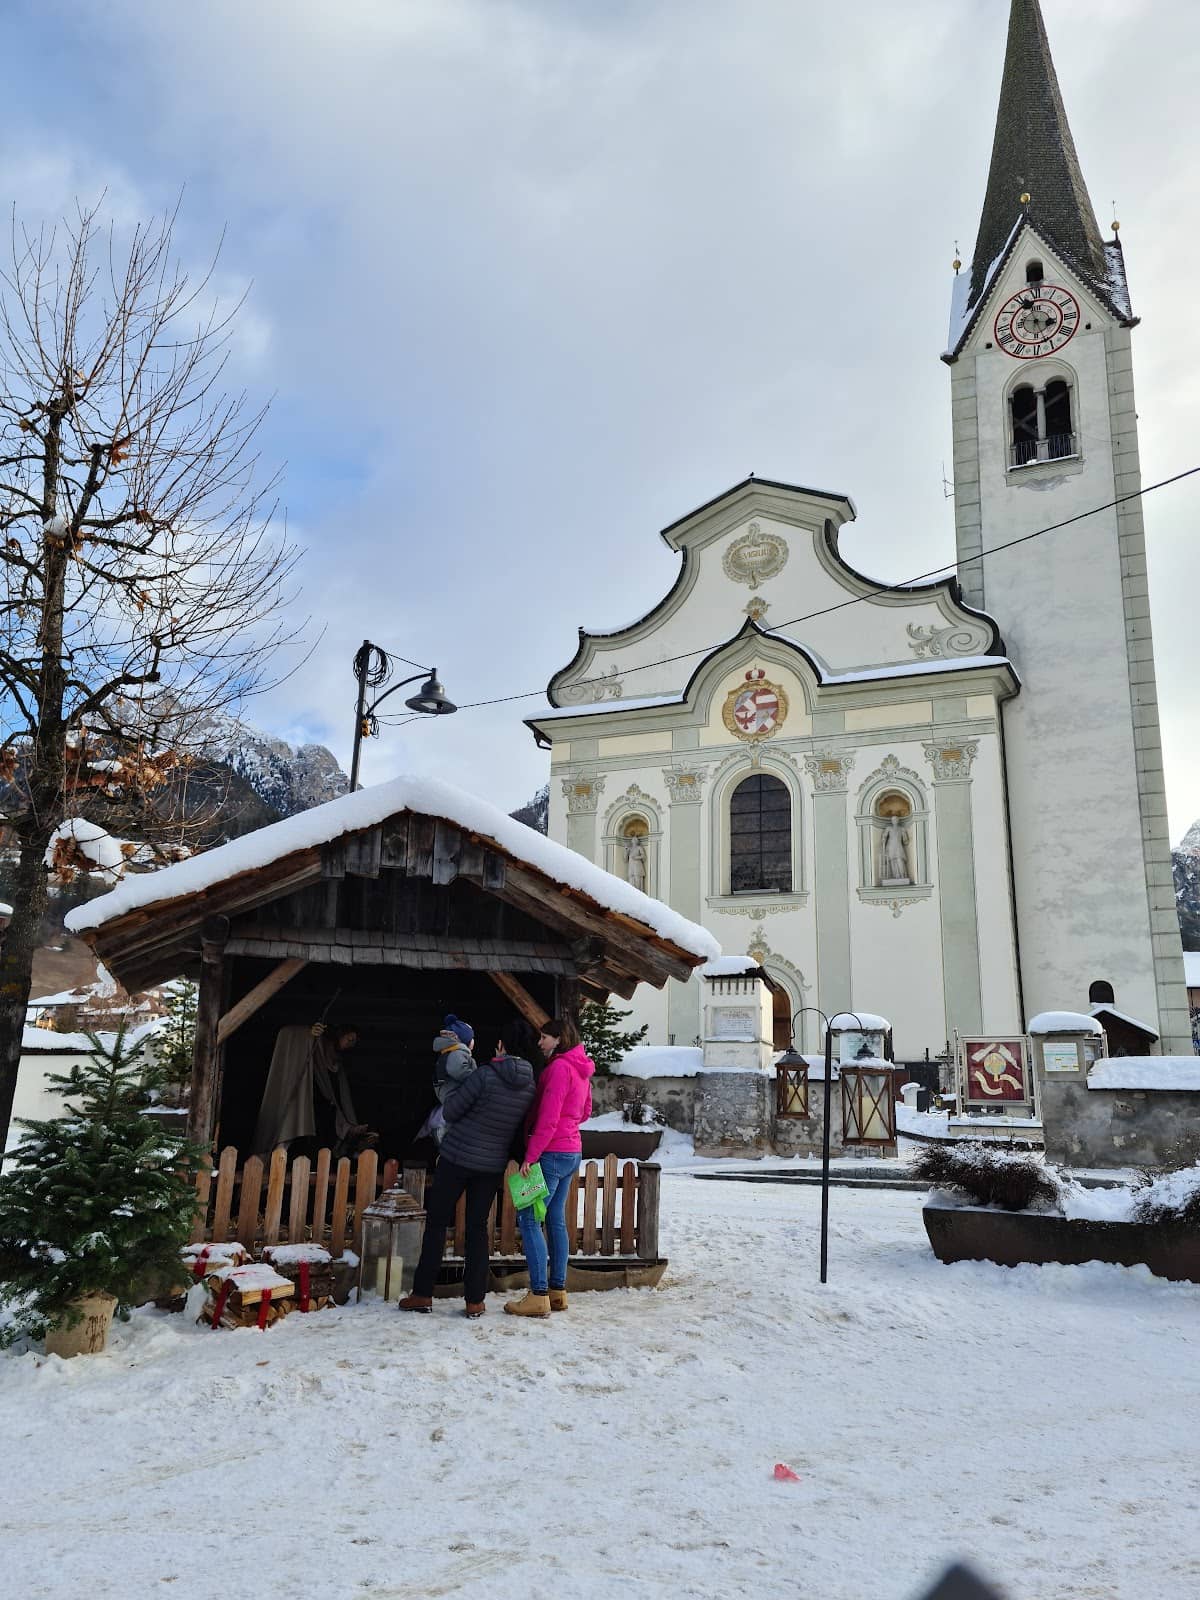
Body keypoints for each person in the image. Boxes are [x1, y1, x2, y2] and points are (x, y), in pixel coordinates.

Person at [399, 1019, 538, 1319]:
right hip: (491, 1165)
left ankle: (423, 1293)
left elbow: (451, 1110)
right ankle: (475, 1300)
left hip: (457, 1156)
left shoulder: (485, 1074)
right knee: (477, 1229)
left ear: (502, 1045)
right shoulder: (530, 1084)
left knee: (436, 1223)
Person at [506, 1015, 595, 1320]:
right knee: (555, 1219)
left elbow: (548, 1119)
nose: (540, 1042)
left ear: (559, 1039)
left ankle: (538, 1295)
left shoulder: (558, 1069)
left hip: (551, 1153)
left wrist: (530, 1156)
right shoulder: (582, 1068)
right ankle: (557, 1292)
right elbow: (585, 1112)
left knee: (529, 1219)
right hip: (572, 1151)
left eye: (544, 1037)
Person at [253, 1021, 376, 1158]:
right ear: (340, 1035)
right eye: (350, 1039)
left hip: (321, 1117)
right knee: (287, 1136)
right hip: (302, 1104)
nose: (351, 1044)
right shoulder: (317, 1044)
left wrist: (350, 1128)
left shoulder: (338, 1067)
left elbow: (339, 1102)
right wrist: (308, 1034)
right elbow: (287, 1034)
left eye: (354, 1042)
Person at [428, 1014, 476, 1143]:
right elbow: (457, 1070)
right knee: (456, 1113)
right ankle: (442, 1131)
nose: (474, 1041)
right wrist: (475, 1078)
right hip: (453, 1091)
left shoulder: (452, 1052)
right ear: (464, 1040)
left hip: (449, 1091)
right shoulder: (457, 1053)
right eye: (472, 1038)